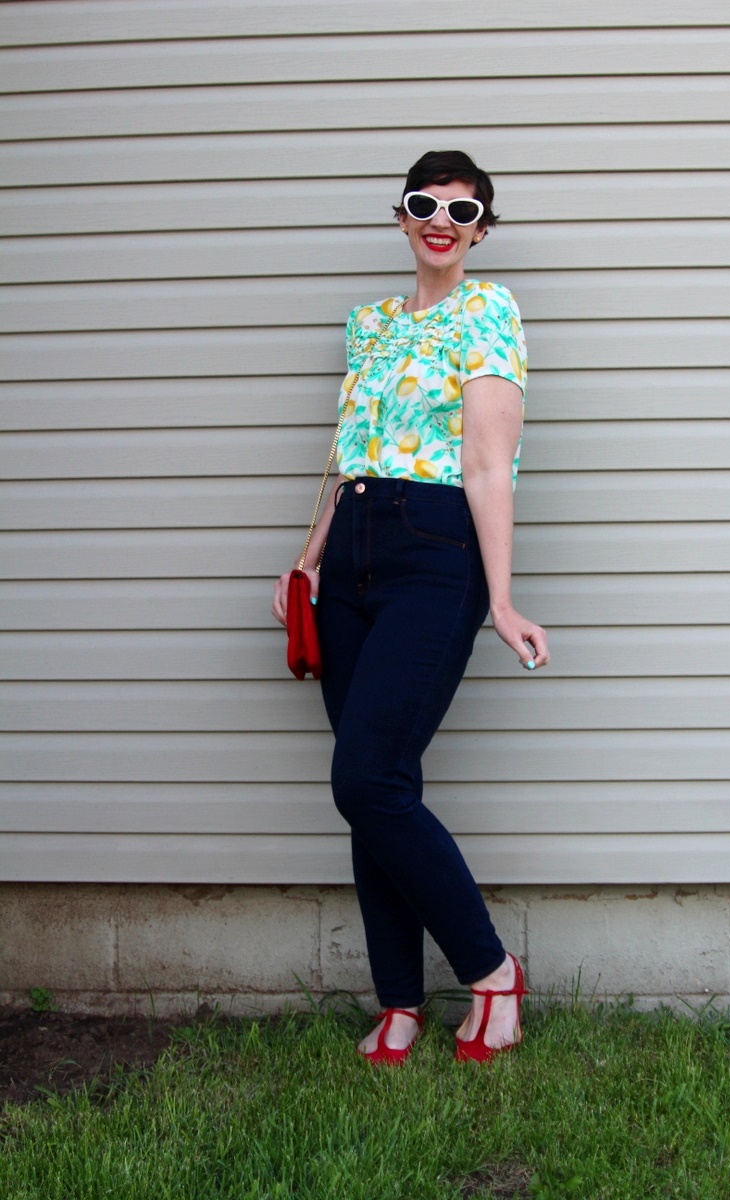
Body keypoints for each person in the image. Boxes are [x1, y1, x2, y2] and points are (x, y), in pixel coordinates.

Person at [273, 150, 549, 1064]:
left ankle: (491, 970)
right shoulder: (372, 326)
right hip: (351, 546)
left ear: (481, 232)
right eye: (425, 205)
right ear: (401, 216)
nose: (442, 222)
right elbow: (351, 454)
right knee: (376, 787)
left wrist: (500, 599)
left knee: (366, 779)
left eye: (463, 212)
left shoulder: (489, 310)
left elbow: (488, 465)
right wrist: (307, 561)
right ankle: (399, 1001)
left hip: (435, 551)